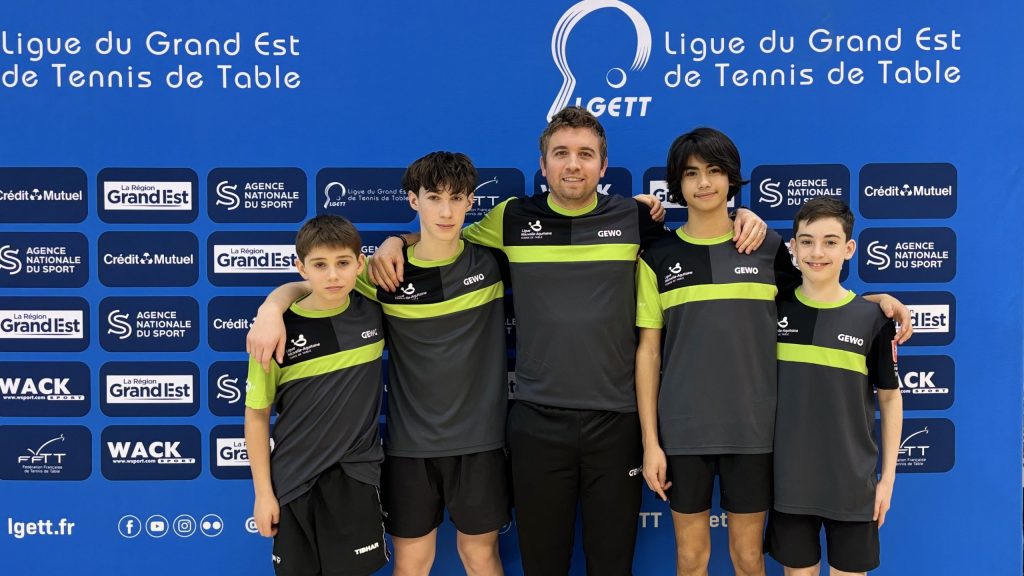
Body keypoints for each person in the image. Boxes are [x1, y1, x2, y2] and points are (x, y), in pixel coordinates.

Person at [362, 108, 770, 576]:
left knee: (612, 566)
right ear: (543, 164)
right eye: (561, 153)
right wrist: (396, 241)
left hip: (617, 423)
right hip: (537, 423)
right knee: (544, 565)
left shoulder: (634, 217)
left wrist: (744, 215)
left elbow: (699, 238)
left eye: (585, 154)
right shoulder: (510, 218)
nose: (573, 164)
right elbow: (443, 238)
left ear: (603, 164)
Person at [634, 129, 911, 576]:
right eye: (691, 173)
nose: (703, 183)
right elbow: (648, 354)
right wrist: (651, 442)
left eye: (714, 171)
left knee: (748, 558)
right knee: (690, 558)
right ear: (677, 183)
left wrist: (874, 302)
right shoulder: (657, 257)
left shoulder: (765, 248)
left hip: (755, 433)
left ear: (731, 178)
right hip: (683, 433)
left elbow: (819, 296)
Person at [250, 152, 509, 576]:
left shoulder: (490, 258)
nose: (445, 211)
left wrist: (397, 238)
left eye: (456, 198)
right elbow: (319, 283)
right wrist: (271, 308)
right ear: (414, 200)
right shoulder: (383, 274)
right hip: (408, 448)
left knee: (481, 557)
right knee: (411, 564)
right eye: (434, 198)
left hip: (480, 444)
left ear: (470, 202)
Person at [765, 197, 902, 576]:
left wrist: (887, 480)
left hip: (852, 485)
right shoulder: (772, 309)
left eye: (830, 242)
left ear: (849, 248)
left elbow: (891, 399)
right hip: (789, 484)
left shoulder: (873, 318)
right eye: (807, 241)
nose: (817, 253)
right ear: (793, 247)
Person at [244, 214, 388, 576]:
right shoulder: (274, 334)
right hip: (294, 479)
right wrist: (263, 494)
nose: (333, 275)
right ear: (301, 268)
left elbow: (427, 244)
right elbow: (257, 416)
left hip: (355, 475)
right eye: (320, 265)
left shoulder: (373, 311)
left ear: (360, 263)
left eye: (343, 263)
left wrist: (399, 241)